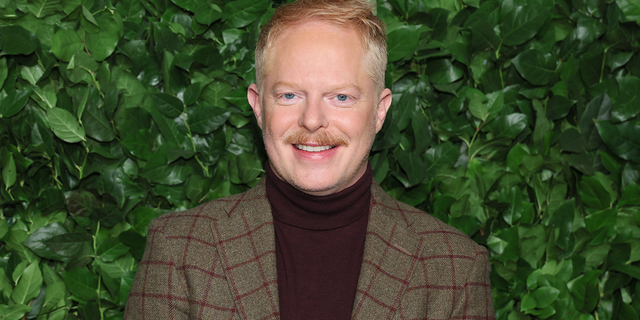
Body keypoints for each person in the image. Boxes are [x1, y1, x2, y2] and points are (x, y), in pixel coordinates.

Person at [125, 0, 495, 319]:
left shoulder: (454, 270)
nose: (312, 120)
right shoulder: (180, 252)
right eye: (289, 96)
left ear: (380, 111)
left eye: (341, 97)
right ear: (257, 106)